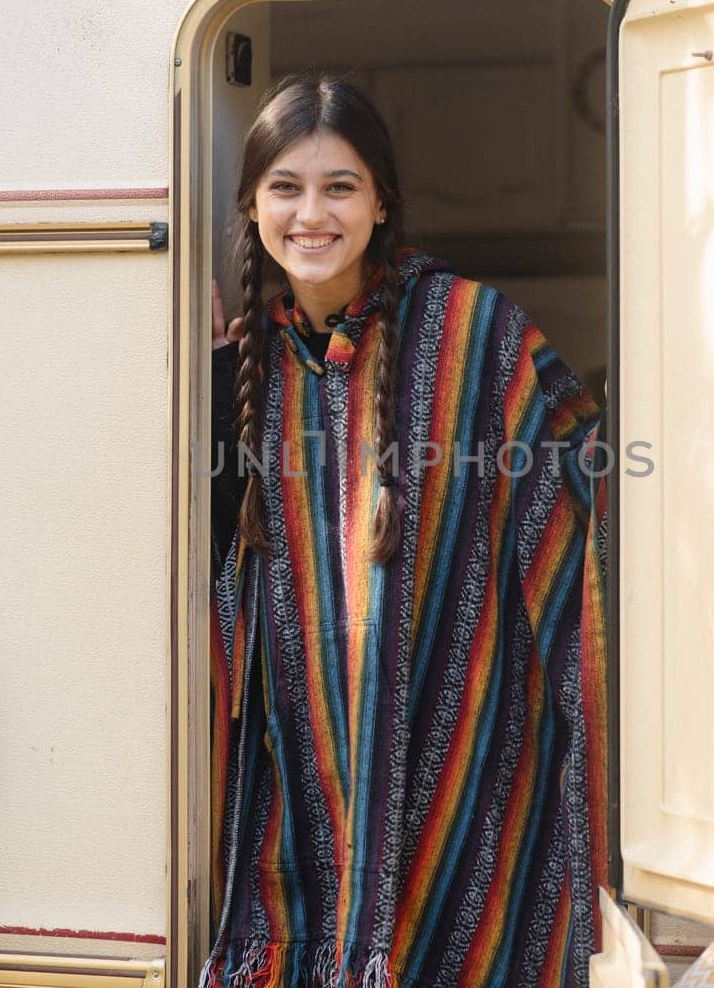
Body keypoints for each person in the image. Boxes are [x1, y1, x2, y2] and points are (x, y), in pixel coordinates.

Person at [205, 71, 609, 988]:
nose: (313, 213)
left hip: (457, 726)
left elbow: (581, 503)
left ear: (382, 203)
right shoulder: (243, 361)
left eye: (340, 186)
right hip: (295, 762)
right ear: (253, 204)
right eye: (287, 188)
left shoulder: (472, 329)